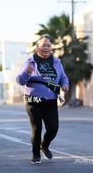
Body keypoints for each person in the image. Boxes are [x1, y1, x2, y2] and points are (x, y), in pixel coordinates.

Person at [16, 34, 69, 164]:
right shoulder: (30, 61)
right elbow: (20, 80)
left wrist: (65, 84)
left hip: (51, 99)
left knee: (53, 128)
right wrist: (27, 73)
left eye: (48, 45)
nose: (46, 48)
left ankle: (44, 145)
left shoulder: (56, 62)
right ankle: (35, 154)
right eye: (43, 45)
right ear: (37, 47)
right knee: (37, 127)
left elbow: (63, 76)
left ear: (51, 48)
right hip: (33, 99)